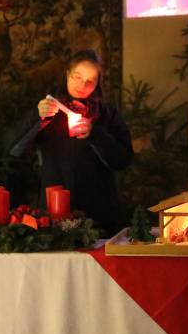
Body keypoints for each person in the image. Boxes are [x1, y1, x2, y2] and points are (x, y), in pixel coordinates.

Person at [9, 49, 133, 237]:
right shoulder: (49, 110)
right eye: (77, 77)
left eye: (90, 81)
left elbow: (123, 159)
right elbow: (13, 147)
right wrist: (37, 118)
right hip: (54, 214)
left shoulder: (107, 115)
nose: (82, 85)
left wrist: (95, 134)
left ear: (98, 83)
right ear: (67, 74)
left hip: (98, 215)